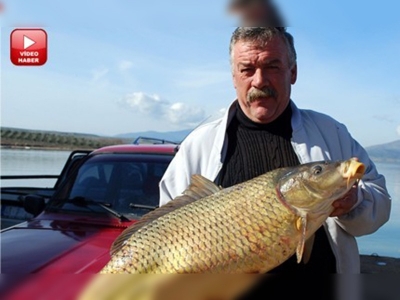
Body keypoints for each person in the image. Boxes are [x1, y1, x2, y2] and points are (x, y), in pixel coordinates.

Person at [158, 27, 391, 298]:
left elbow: (379, 205)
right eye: (247, 69)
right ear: (234, 77)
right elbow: (165, 230)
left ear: (292, 72)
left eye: (272, 66)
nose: (259, 80)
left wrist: (354, 204)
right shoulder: (197, 146)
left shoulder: (331, 132)